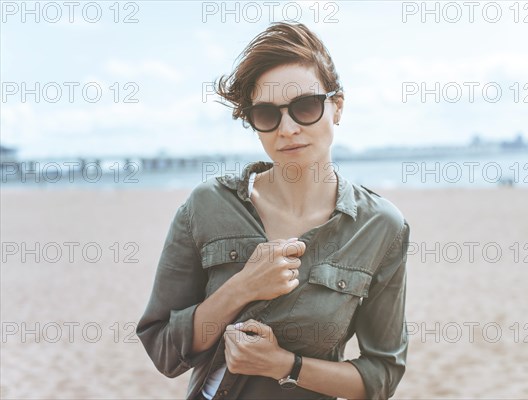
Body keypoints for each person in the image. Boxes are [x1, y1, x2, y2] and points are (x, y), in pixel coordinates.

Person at [136, 22, 410, 400]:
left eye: (306, 107)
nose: (288, 128)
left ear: (338, 108)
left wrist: (284, 365)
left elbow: (381, 377)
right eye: (267, 114)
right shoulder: (207, 206)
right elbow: (164, 350)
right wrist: (242, 287)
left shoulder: (381, 227)